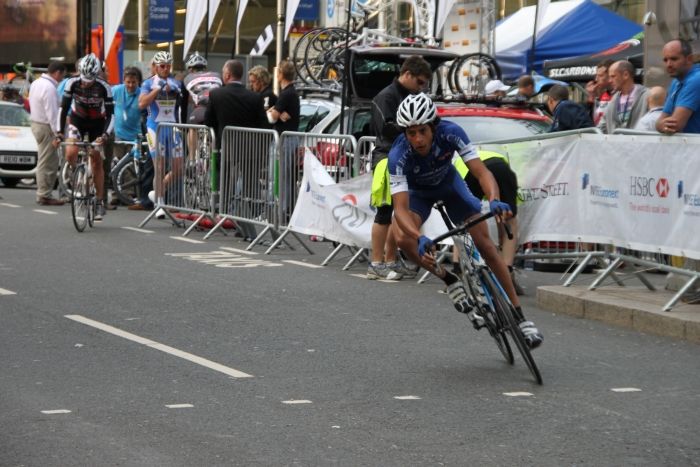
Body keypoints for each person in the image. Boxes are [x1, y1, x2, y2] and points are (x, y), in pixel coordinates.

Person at [388, 93, 543, 348]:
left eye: (422, 131)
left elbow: (481, 171)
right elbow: (401, 209)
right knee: (402, 237)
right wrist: (419, 236)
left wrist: (494, 198)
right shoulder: (398, 155)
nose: (417, 139)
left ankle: (520, 317)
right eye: (411, 133)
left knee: (486, 245)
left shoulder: (451, 132)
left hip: (449, 186)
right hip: (418, 195)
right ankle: (449, 280)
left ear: (433, 127)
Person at [368, 55, 432, 280]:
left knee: (400, 213)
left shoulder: (410, 96)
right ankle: (376, 263)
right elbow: (385, 130)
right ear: (407, 75)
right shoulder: (386, 97)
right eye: (420, 82)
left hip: (403, 158)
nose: (422, 88)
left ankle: (391, 260)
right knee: (384, 212)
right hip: (386, 158)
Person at [204, 59, 268, 241]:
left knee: (226, 188)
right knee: (250, 189)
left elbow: (209, 121)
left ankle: (228, 215)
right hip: (251, 150)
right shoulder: (255, 97)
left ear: (227, 75)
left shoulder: (216, 95)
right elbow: (263, 124)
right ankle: (245, 223)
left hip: (227, 147)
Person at [56, 53, 114, 220]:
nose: (86, 83)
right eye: (84, 79)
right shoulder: (71, 83)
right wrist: (59, 132)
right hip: (78, 120)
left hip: (97, 123)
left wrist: (105, 134)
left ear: (96, 75)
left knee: (96, 159)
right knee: (70, 152)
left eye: (90, 80)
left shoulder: (104, 87)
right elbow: (63, 108)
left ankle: (99, 201)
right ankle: (78, 174)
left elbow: (111, 115)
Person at [462, 150, 524, 295]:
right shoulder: (477, 151)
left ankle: (459, 269)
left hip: (471, 172)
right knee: (508, 218)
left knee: (465, 221)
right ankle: (507, 270)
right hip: (499, 167)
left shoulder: (453, 159)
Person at [139, 51, 184, 219]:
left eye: (168, 66)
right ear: (156, 67)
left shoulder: (176, 83)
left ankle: (158, 190)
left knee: (179, 168)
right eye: (162, 66)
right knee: (159, 166)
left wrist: (173, 89)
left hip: (171, 127)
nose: (165, 69)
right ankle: (159, 202)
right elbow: (142, 104)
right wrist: (156, 91)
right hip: (155, 127)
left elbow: (181, 99)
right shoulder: (148, 83)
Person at [112, 67, 150, 210]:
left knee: (132, 168)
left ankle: (128, 194)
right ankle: (117, 195)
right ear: (124, 81)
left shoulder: (141, 93)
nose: (130, 85)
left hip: (135, 136)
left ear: (138, 82)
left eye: (134, 82)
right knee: (117, 165)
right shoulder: (116, 90)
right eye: (128, 82)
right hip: (119, 134)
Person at [29, 60, 66, 205]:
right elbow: (52, 113)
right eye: (62, 75)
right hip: (46, 126)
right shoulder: (49, 88)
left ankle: (44, 192)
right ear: (57, 73)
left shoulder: (36, 83)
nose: (62, 78)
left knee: (44, 159)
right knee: (48, 161)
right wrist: (58, 132)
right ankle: (44, 194)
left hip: (36, 124)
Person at [267, 60, 300, 222]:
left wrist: (274, 111)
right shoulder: (291, 93)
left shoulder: (286, 94)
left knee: (281, 175)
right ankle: (285, 209)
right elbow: (279, 115)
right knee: (285, 175)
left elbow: (272, 117)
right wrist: (279, 113)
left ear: (280, 74)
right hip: (288, 139)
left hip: (284, 140)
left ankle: (283, 210)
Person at [656, 39, 700, 134]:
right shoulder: (676, 82)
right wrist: (659, 125)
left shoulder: (696, 79)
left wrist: (660, 125)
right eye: (665, 60)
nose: (668, 64)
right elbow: (661, 121)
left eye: (674, 59)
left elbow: (675, 125)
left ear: (689, 59)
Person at [599, 60, 648, 133]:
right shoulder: (613, 100)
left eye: (613, 76)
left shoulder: (646, 96)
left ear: (626, 75)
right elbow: (601, 127)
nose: (610, 81)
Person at [183, 52, 222, 125]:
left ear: (190, 69)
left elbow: (184, 102)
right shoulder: (217, 75)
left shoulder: (187, 78)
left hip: (201, 111)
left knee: (192, 128)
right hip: (218, 110)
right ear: (205, 68)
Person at [585, 59, 614, 126]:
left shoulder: (619, 94)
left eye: (600, 76)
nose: (596, 79)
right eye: (596, 75)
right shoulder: (604, 95)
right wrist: (591, 95)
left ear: (610, 76)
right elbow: (591, 120)